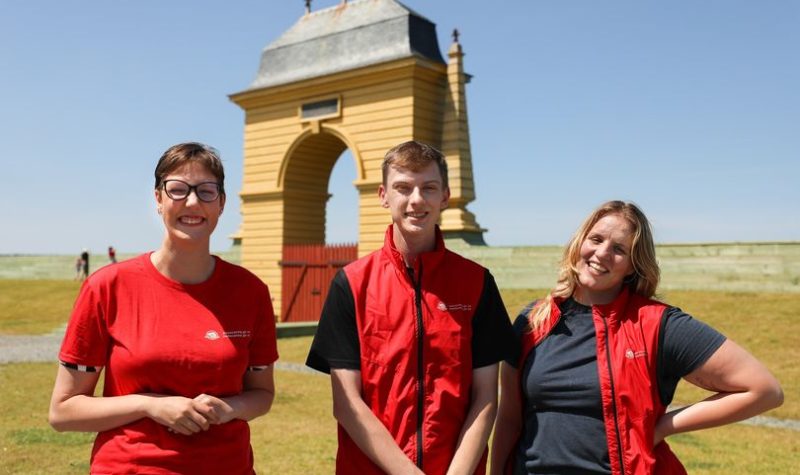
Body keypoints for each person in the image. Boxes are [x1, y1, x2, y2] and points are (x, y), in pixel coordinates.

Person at [490, 200, 784, 475]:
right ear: (579, 242)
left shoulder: (658, 325)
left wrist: (663, 426)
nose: (602, 253)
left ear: (632, 264)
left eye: (619, 249)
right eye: (596, 239)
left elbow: (764, 390)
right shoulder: (533, 320)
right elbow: (509, 420)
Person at [49, 142, 278, 474]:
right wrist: (150, 405)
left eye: (207, 191)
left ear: (222, 203)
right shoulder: (107, 287)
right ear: (158, 199)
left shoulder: (251, 292)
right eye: (178, 190)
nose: (193, 201)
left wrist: (229, 408)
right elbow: (63, 411)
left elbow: (262, 394)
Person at [306, 140, 516, 475]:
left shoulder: (477, 283)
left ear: (445, 196)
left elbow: (486, 397)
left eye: (428, 188)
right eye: (403, 188)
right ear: (383, 195)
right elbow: (346, 404)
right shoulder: (352, 283)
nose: (416, 200)